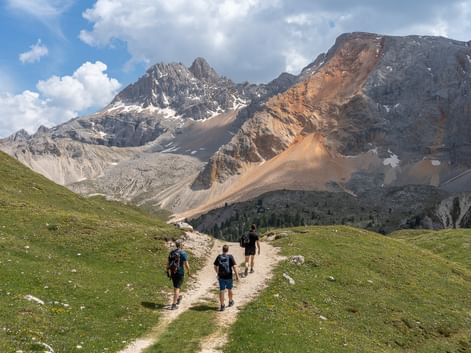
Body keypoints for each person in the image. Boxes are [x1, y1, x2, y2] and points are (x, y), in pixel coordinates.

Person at [214, 244, 239, 311]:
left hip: (221, 277)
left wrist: (218, 273)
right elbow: (234, 267)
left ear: (222, 249)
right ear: (228, 250)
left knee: (222, 290)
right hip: (229, 276)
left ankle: (222, 305)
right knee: (229, 289)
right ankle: (230, 301)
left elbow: (215, 266)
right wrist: (237, 276)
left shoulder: (219, 257)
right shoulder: (230, 257)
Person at [166, 239, 190, 310]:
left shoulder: (172, 252)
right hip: (180, 272)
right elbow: (186, 264)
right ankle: (174, 304)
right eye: (183, 244)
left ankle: (178, 298)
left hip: (173, 271)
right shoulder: (183, 253)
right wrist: (188, 271)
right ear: (181, 245)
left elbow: (168, 263)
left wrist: (167, 270)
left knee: (176, 287)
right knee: (177, 288)